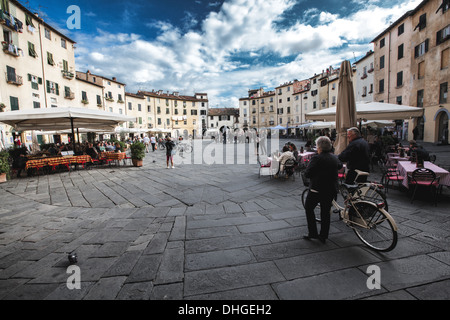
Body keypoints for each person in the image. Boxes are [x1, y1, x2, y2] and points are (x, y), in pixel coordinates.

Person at [303, 136, 343, 244]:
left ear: (319, 147)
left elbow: (308, 173)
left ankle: (313, 233)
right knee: (325, 213)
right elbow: (339, 166)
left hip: (317, 189)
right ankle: (323, 236)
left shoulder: (316, 158)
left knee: (309, 208)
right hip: (331, 189)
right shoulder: (334, 157)